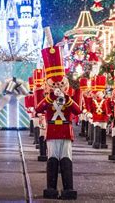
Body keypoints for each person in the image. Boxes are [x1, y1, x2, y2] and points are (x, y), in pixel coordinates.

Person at [36, 37, 81, 200]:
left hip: (66, 131)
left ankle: (68, 188)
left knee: (67, 159)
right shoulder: (47, 98)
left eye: (60, 85)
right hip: (52, 131)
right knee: (52, 159)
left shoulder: (70, 96)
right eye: (54, 85)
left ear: (65, 84)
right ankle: (51, 187)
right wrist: (50, 98)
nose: (58, 88)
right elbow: (38, 109)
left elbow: (78, 110)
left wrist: (67, 98)